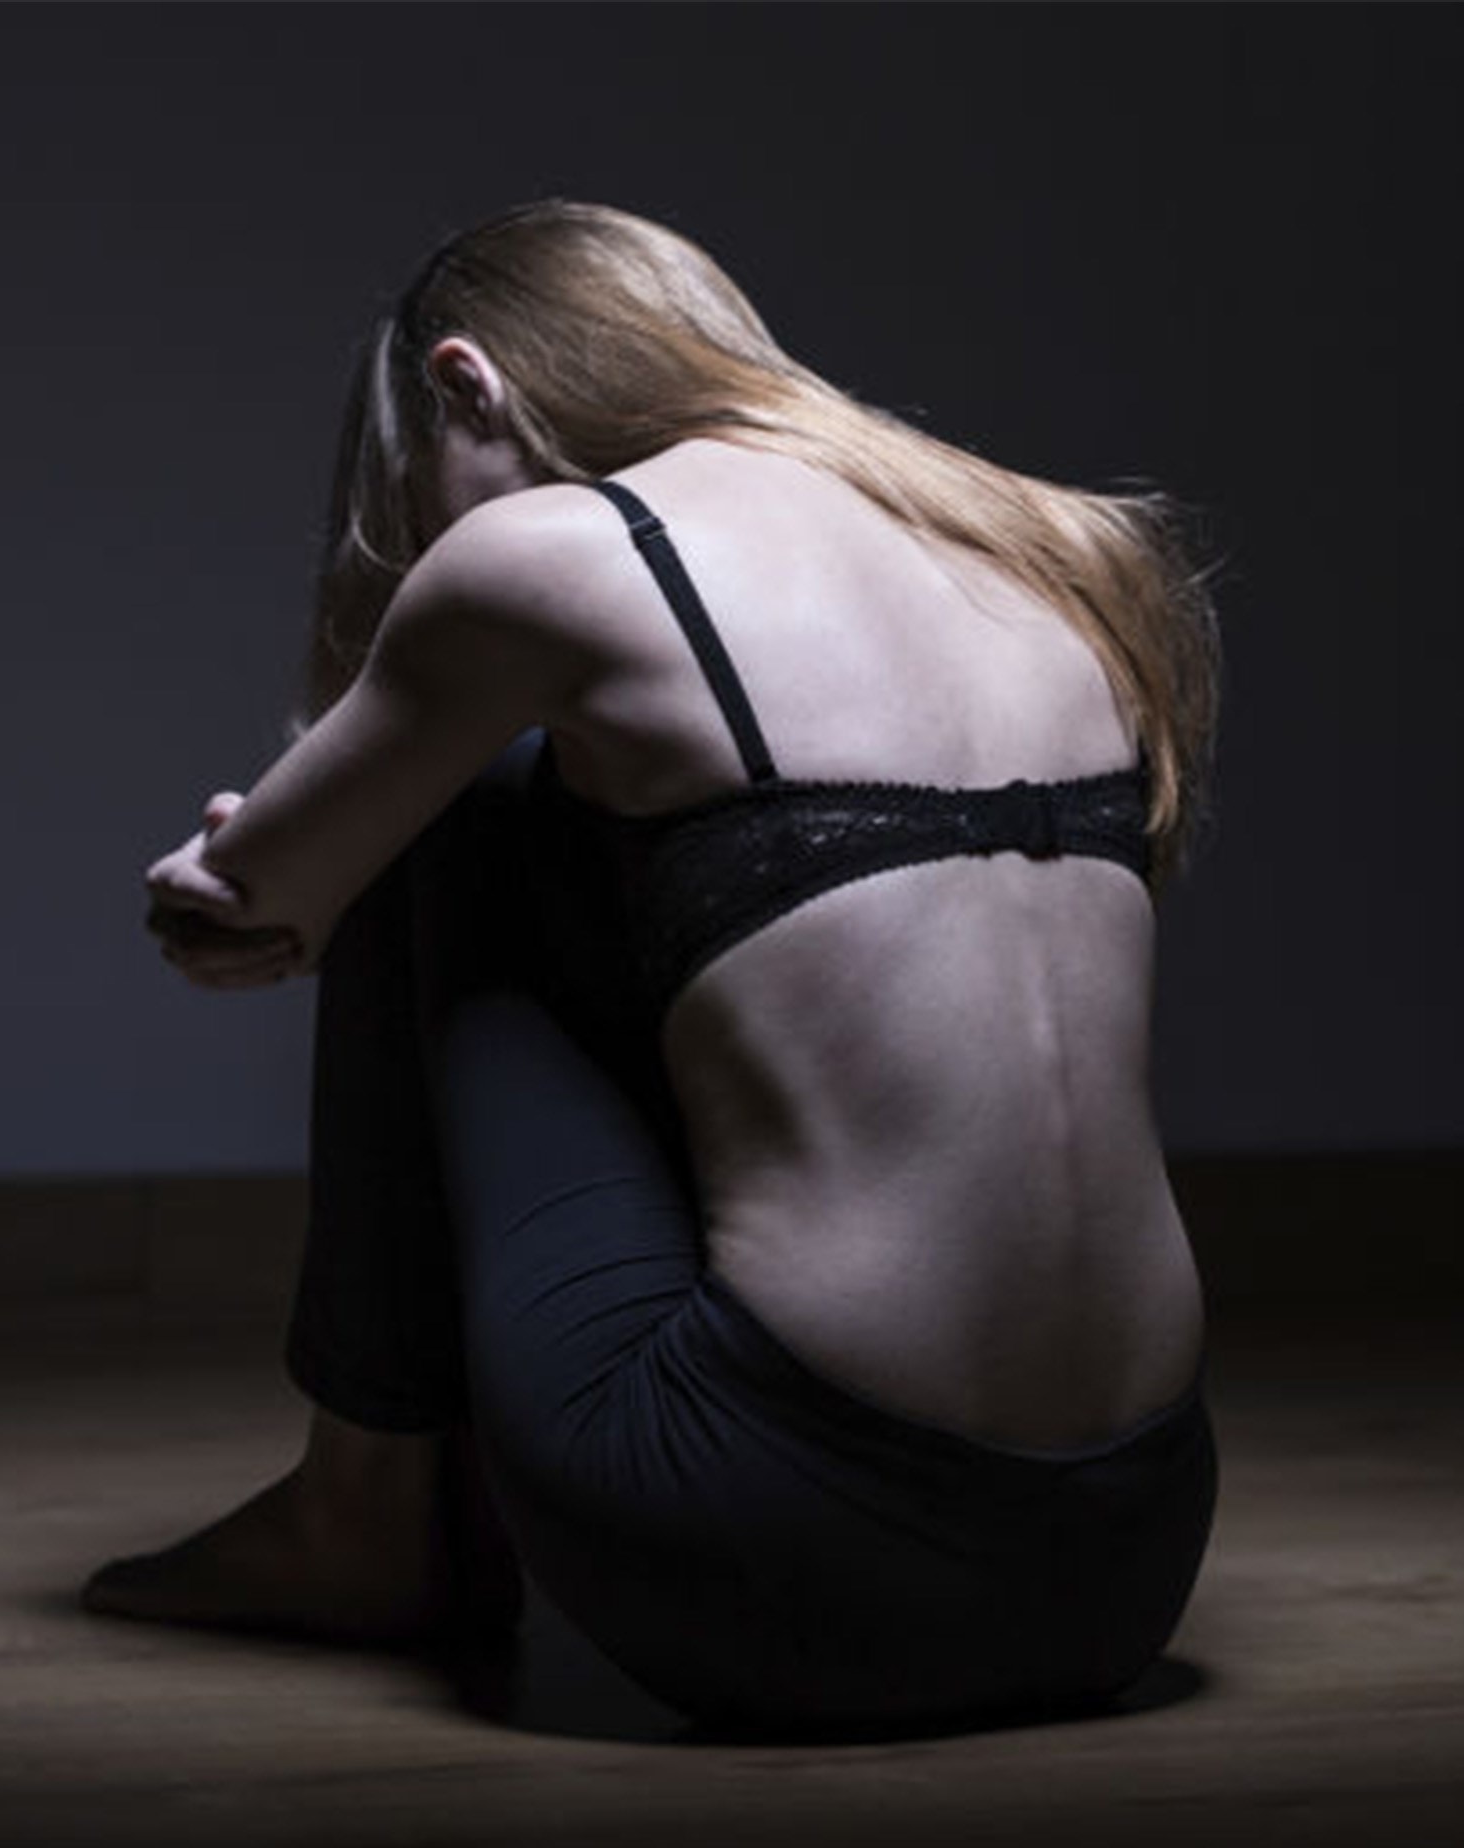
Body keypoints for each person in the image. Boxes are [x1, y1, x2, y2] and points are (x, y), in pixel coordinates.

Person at [83, 199, 1223, 1739]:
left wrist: (268, 869)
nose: (439, 536)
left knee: (465, 810)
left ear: (469, 387)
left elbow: (250, 898)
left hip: (779, 1551)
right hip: (1122, 1561)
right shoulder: (1037, 540)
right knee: (648, 832)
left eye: (427, 487)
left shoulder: (549, 559)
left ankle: (365, 1512)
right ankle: (380, 1515)